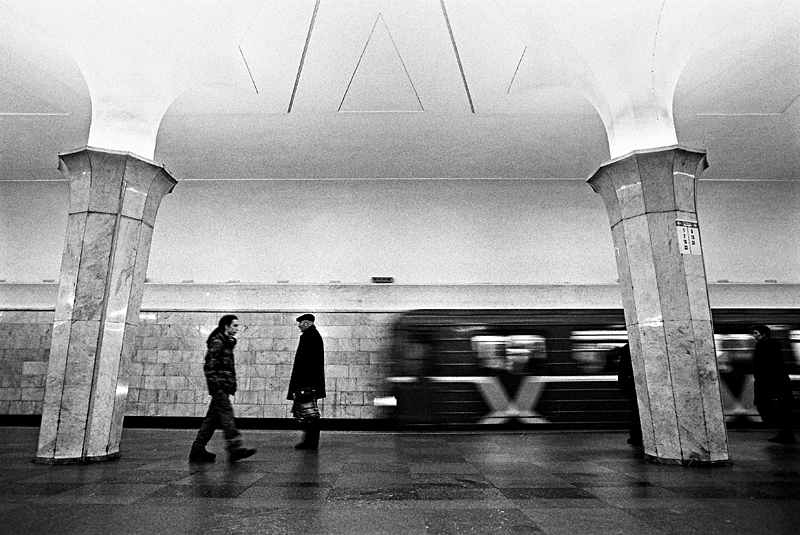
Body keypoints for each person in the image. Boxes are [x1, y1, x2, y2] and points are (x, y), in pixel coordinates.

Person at [189, 314, 257, 462]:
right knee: (227, 416)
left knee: (212, 419)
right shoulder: (218, 342)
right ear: (226, 326)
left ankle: (198, 448)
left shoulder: (226, 342)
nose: (237, 329)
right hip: (220, 387)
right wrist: (218, 386)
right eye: (235, 325)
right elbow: (209, 366)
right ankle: (235, 448)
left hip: (223, 387)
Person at [752, 325, 796, 444]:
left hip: (773, 384)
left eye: (756, 333)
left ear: (764, 334)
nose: (754, 335)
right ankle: (785, 434)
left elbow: (765, 367)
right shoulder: (771, 346)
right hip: (777, 383)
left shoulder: (765, 347)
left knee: (773, 408)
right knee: (783, 410)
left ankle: (786, 435)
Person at [287, 313, 326, 450]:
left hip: (307, 383)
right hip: (309, 382)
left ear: (307, 323)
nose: (299, 325)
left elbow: (305, 363)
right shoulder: (312, 335)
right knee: (307, 413)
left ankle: (311, 441)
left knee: (309, 413)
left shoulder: (310, 337)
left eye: (300, 322)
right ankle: (310, 440)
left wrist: (302, 384)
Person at [616, 343, 642, 446]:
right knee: (637, 412)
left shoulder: (627, 348)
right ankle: (638, 436)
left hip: (631, 384)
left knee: (635, 412)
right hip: (637, 385)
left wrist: (622, 384)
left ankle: (635, 436)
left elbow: (622, 369)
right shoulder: (633, 347)